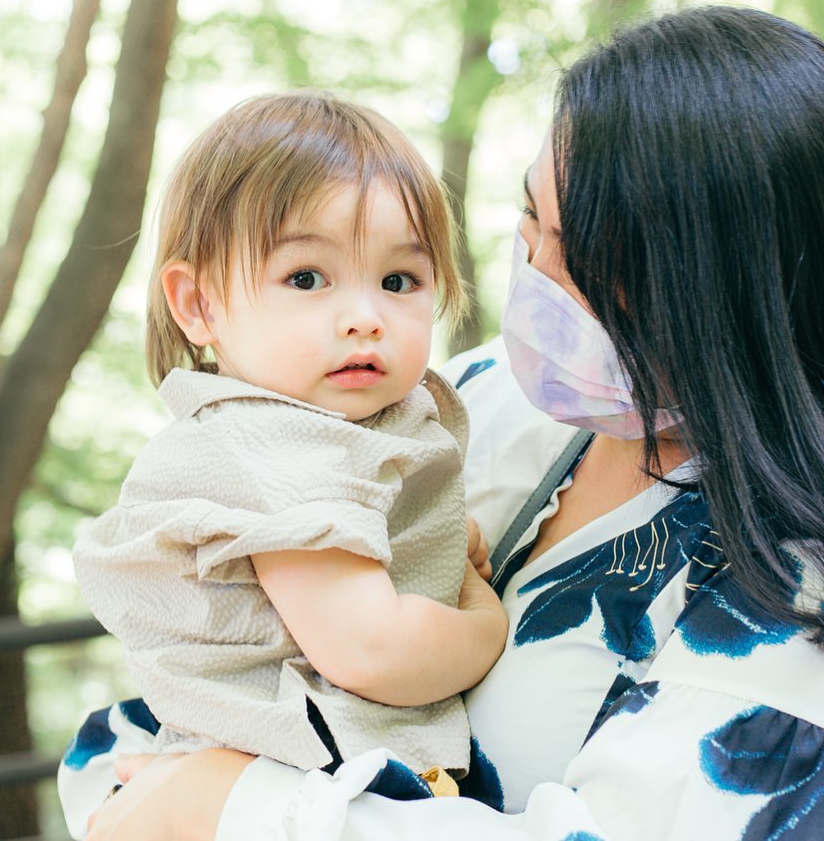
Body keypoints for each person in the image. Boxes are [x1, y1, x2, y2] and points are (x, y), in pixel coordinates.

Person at [60, 6, 824, 840]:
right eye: (530, 221)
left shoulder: (805, 592)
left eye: (588, 256)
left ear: (738, 289)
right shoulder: (474, 395)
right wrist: (153, 797)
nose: (540, 279)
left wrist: (231, 807)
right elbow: (214, 664)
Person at [67, 91, 508, 808]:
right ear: (199, 304)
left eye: (399, 280)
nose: (364, 317)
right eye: (306, 278)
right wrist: (483, 617)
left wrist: (424, 544)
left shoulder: (342, 425)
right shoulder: (271, 448)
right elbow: (374, 651)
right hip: (297, 774)